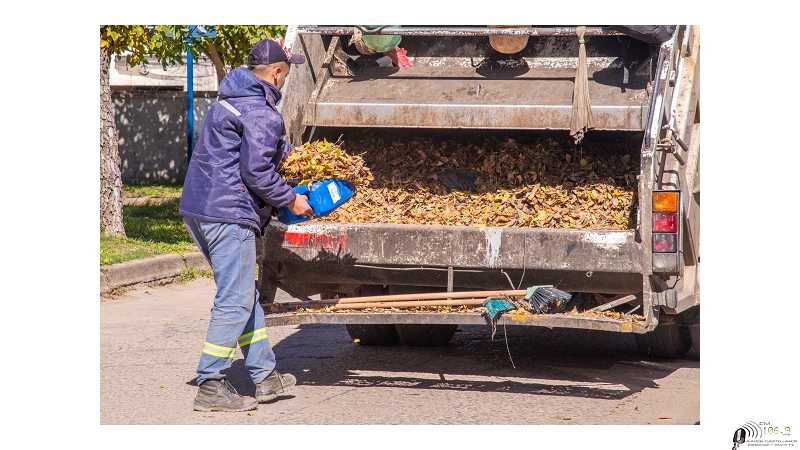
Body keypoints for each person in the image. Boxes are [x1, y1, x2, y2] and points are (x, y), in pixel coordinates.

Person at [179, 38, 313, 412]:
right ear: (276, 72)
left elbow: (249, 154)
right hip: (229, 214)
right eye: (285, 73)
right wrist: (292, 199)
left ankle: (264, 376)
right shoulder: (261, 112)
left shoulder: (229, 99)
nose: (284, 80)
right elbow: (256, 171)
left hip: (200, 209)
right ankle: (210, 384)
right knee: (234, 299)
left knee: (244, 296)